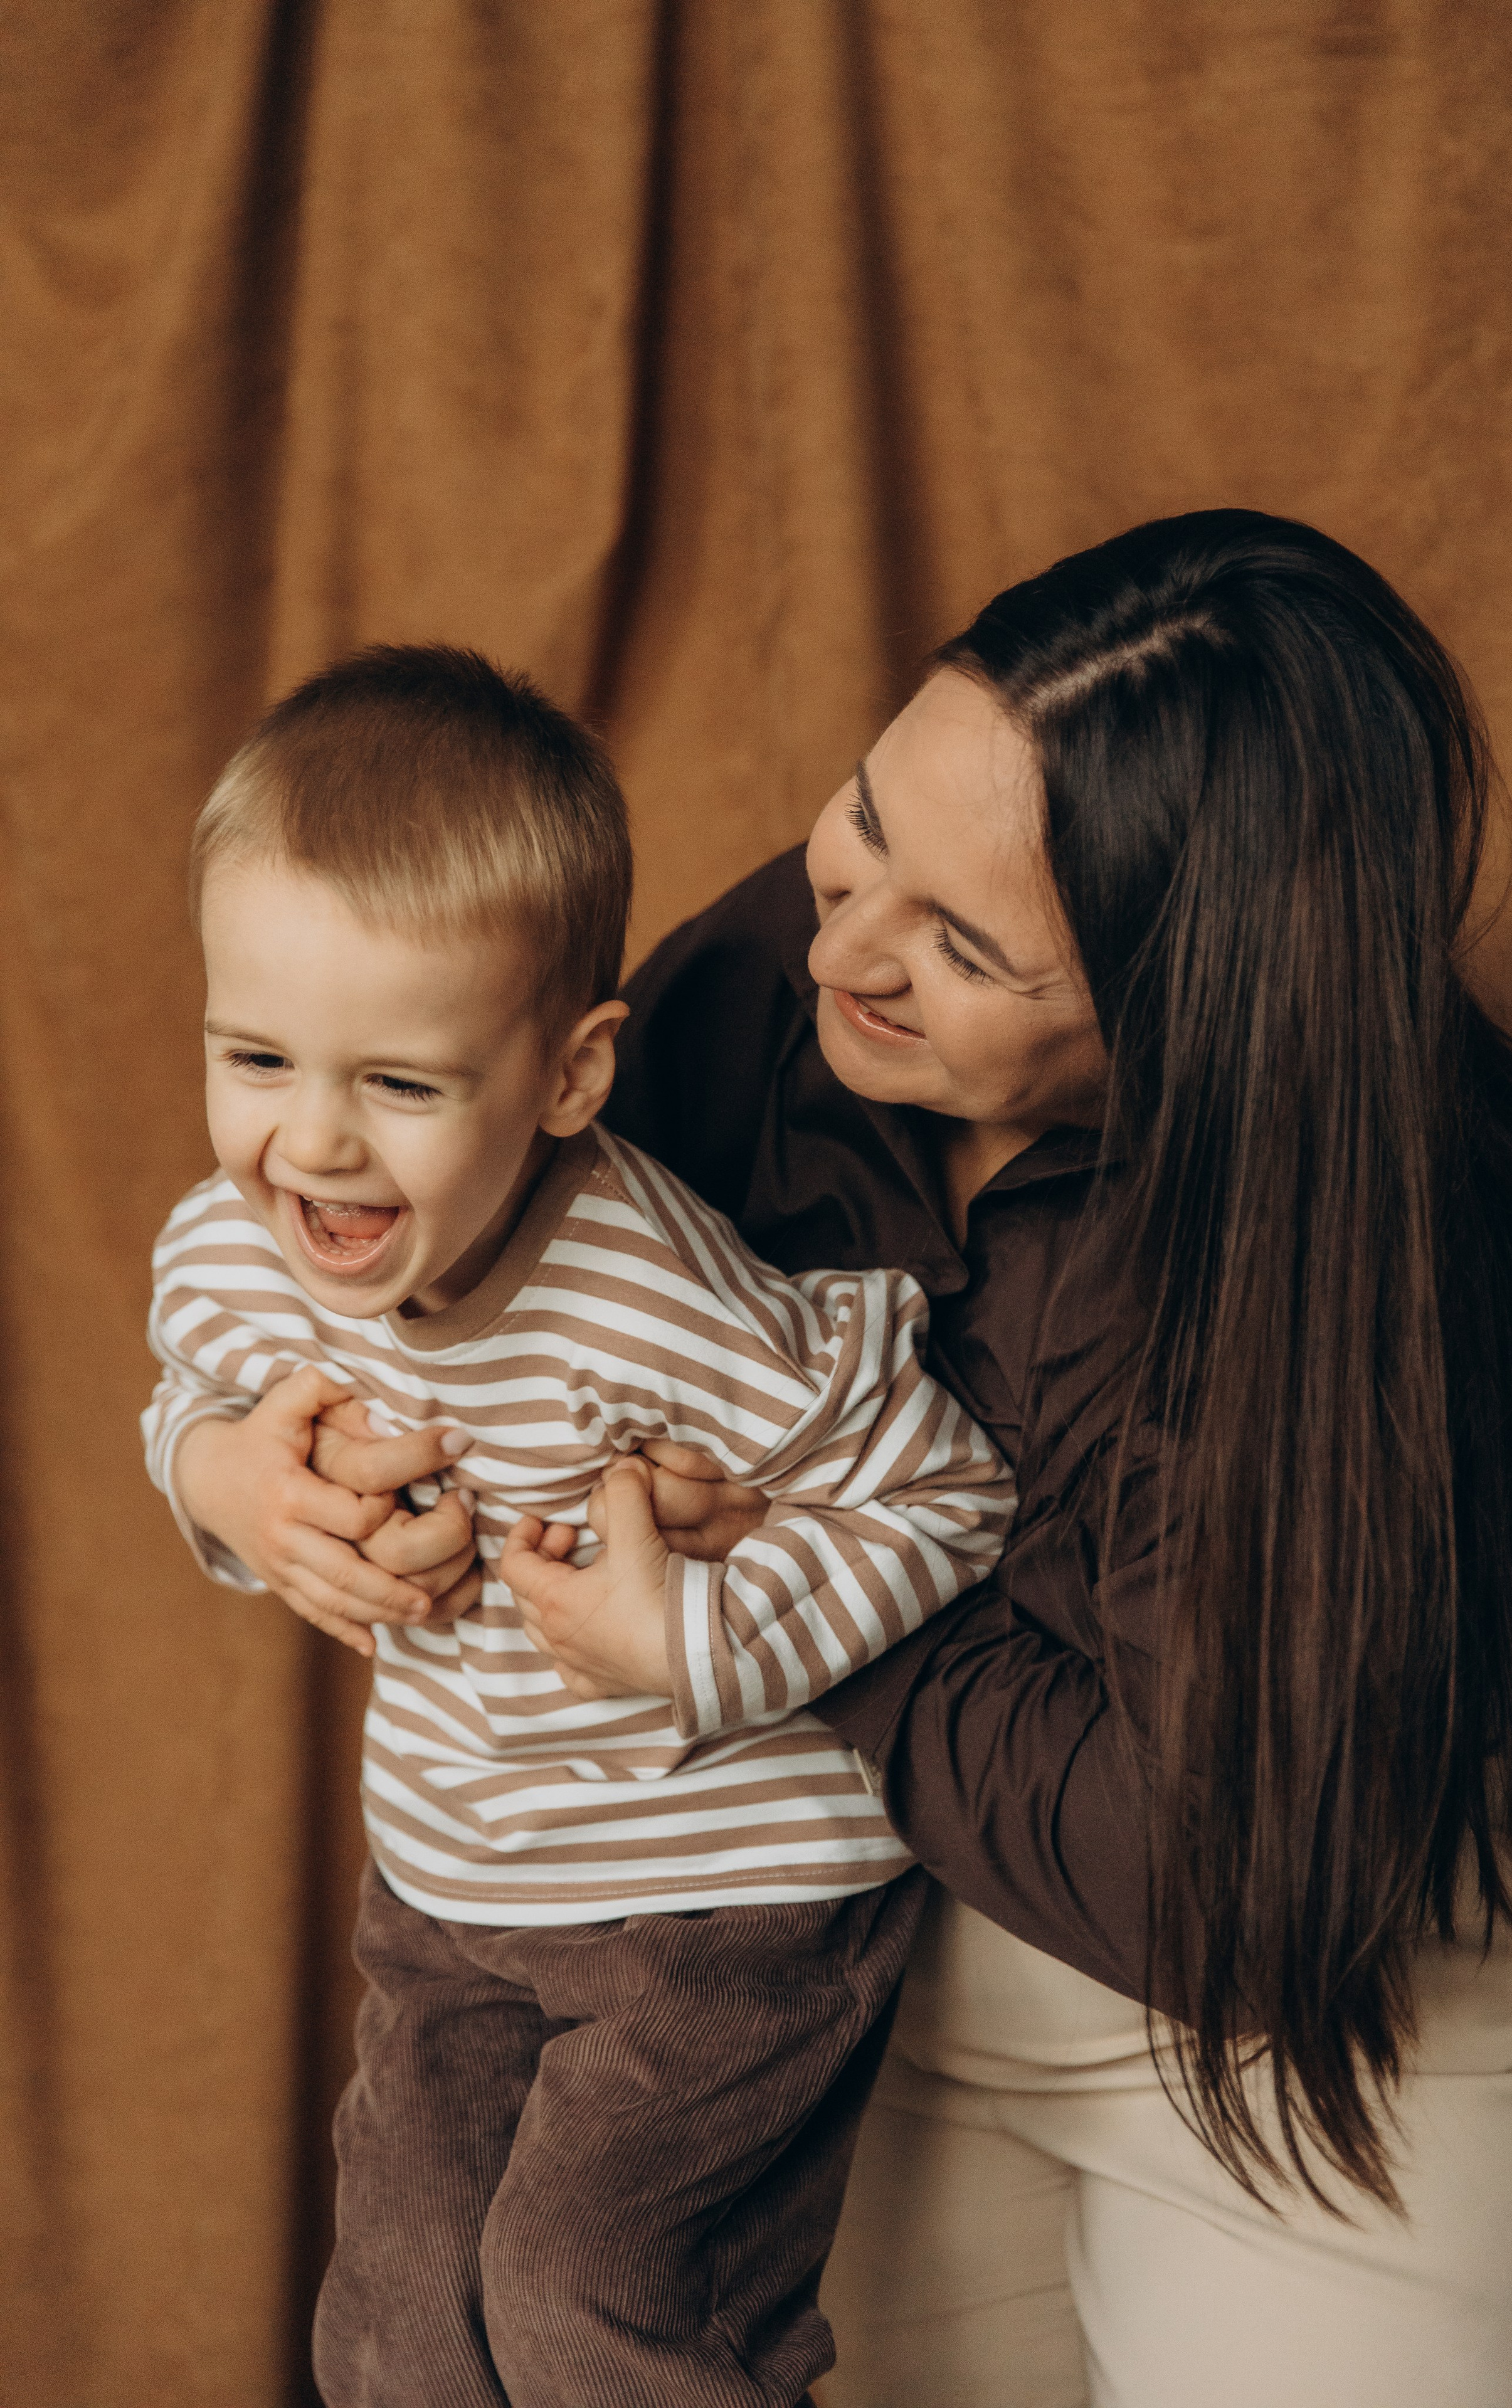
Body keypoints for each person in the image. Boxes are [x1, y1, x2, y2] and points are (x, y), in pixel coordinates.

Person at [176, 514, 1512, 2408]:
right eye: (866, 831)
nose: (836, 945)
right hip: (862, 1938)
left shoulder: (1410, 1272)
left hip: (1332, 2007)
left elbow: (1221, 1881)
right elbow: (487, 1280)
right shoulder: (780, 980)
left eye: (961, 944)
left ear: (1192, 1007)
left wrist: (755, 1612)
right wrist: (251, 1478)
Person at [142, 643, 1015, 2408]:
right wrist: (233, 1485)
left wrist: (684, 1638)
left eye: (401, 1085)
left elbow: (945, 1485)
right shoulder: (240, 1236)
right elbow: (192, 1379)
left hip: (723, 1896)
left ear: (566, 1076)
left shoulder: (650, 1298)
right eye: (256, 1056)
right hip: (460, 1875)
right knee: (390, 2321)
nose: (311, 1148)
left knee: (588, 2304)